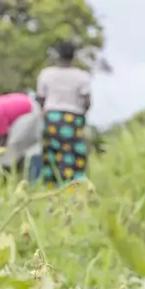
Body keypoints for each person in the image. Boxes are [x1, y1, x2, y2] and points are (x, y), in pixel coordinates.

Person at [36, 41, 92, 183]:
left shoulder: (46, 74)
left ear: (58, 55)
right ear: (73, 56)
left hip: (52, 118)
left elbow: (41, 98)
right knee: (74, 154)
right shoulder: (82, 76)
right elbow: (87, 102)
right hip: (74, 119)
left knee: (52, 154)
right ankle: (74, 187)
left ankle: (52, 188)